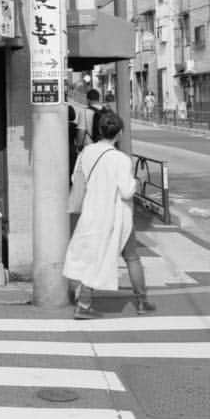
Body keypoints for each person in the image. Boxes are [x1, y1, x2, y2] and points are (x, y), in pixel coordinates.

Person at [63, 110, 155, 319]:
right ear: (119, 133)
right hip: (117, 216)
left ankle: (84, 303)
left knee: (92, 257)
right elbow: (126, 191)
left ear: (98, 130)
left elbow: (76, 179)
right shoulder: (120, 159)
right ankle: (141, 301)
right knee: (132, 257)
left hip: (91, 213)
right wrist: (137, 181)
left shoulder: (85, 153)